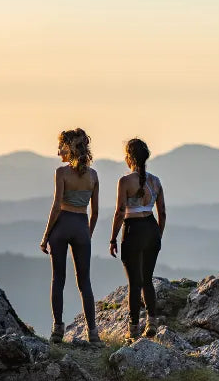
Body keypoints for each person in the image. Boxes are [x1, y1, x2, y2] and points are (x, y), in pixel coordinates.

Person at [40, 128, 100, 343]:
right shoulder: (93, 176)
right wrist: (88, 234)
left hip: (62, 225)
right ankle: (93, 333)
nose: (58, 152)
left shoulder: (61, 173)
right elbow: (96, 212)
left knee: (58, 279)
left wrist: (46, 236)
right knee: (85, 282)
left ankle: (57, 330)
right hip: (82, 226)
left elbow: (56, 206)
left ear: (69, 148)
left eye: (61, 147)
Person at [109, 138, 167, 339]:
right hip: (151, 228)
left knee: (134, 283)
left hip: (133, 229)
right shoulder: (156, 181)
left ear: (129, 158)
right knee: (147, 280)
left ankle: (133, 329)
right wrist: (158, 234)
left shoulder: (125, 181)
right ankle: (152, 321)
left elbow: (119, 212)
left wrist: (113, 238)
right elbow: (163, 213)